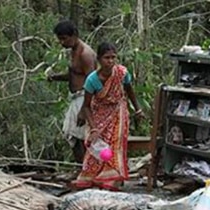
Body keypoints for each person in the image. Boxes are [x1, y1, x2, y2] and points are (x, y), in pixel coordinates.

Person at [73, 42, 143, 191]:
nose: (110, 61)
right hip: (99, 113)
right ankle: (94, 175)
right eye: (106, 58)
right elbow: (86, 106)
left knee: (115, 146)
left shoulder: (122, 73)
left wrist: (138, 109)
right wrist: (93, 128)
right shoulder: (92, 80)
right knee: (97, 146)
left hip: (118, 111)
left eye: (113, 57)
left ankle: (112, 177)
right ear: (99, 59)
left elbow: (130, 92)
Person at [48, 20, 96, 163]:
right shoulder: (73, 51)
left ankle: (87, 169)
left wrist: (84, 109)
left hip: (84, 98)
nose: (62, 42)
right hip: (76, 97)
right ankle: (81, 168)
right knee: (72, 134)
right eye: (60, 39)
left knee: (82, 136)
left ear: (74, 35)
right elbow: (75, 75)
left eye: (64, 38)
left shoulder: (85, 54)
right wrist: (56, 77)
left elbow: (92, 82)